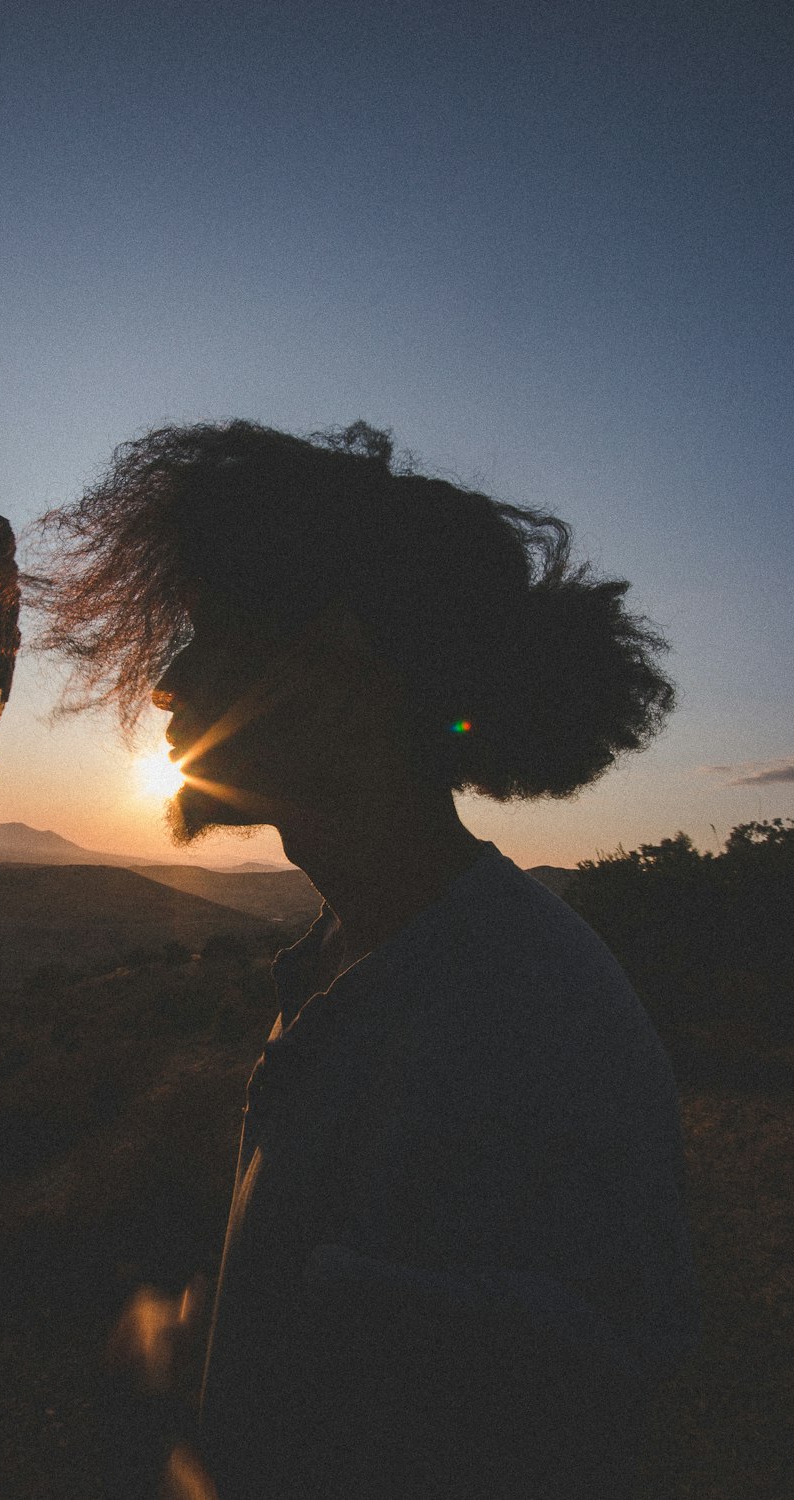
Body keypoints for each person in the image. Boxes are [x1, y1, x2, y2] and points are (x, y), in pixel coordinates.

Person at [34, 420, 700, 1498]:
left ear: (341, 666)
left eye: (214, 634)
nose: (168, 682)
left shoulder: (512, 1027)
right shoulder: (364, 959)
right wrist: (207, 1331)